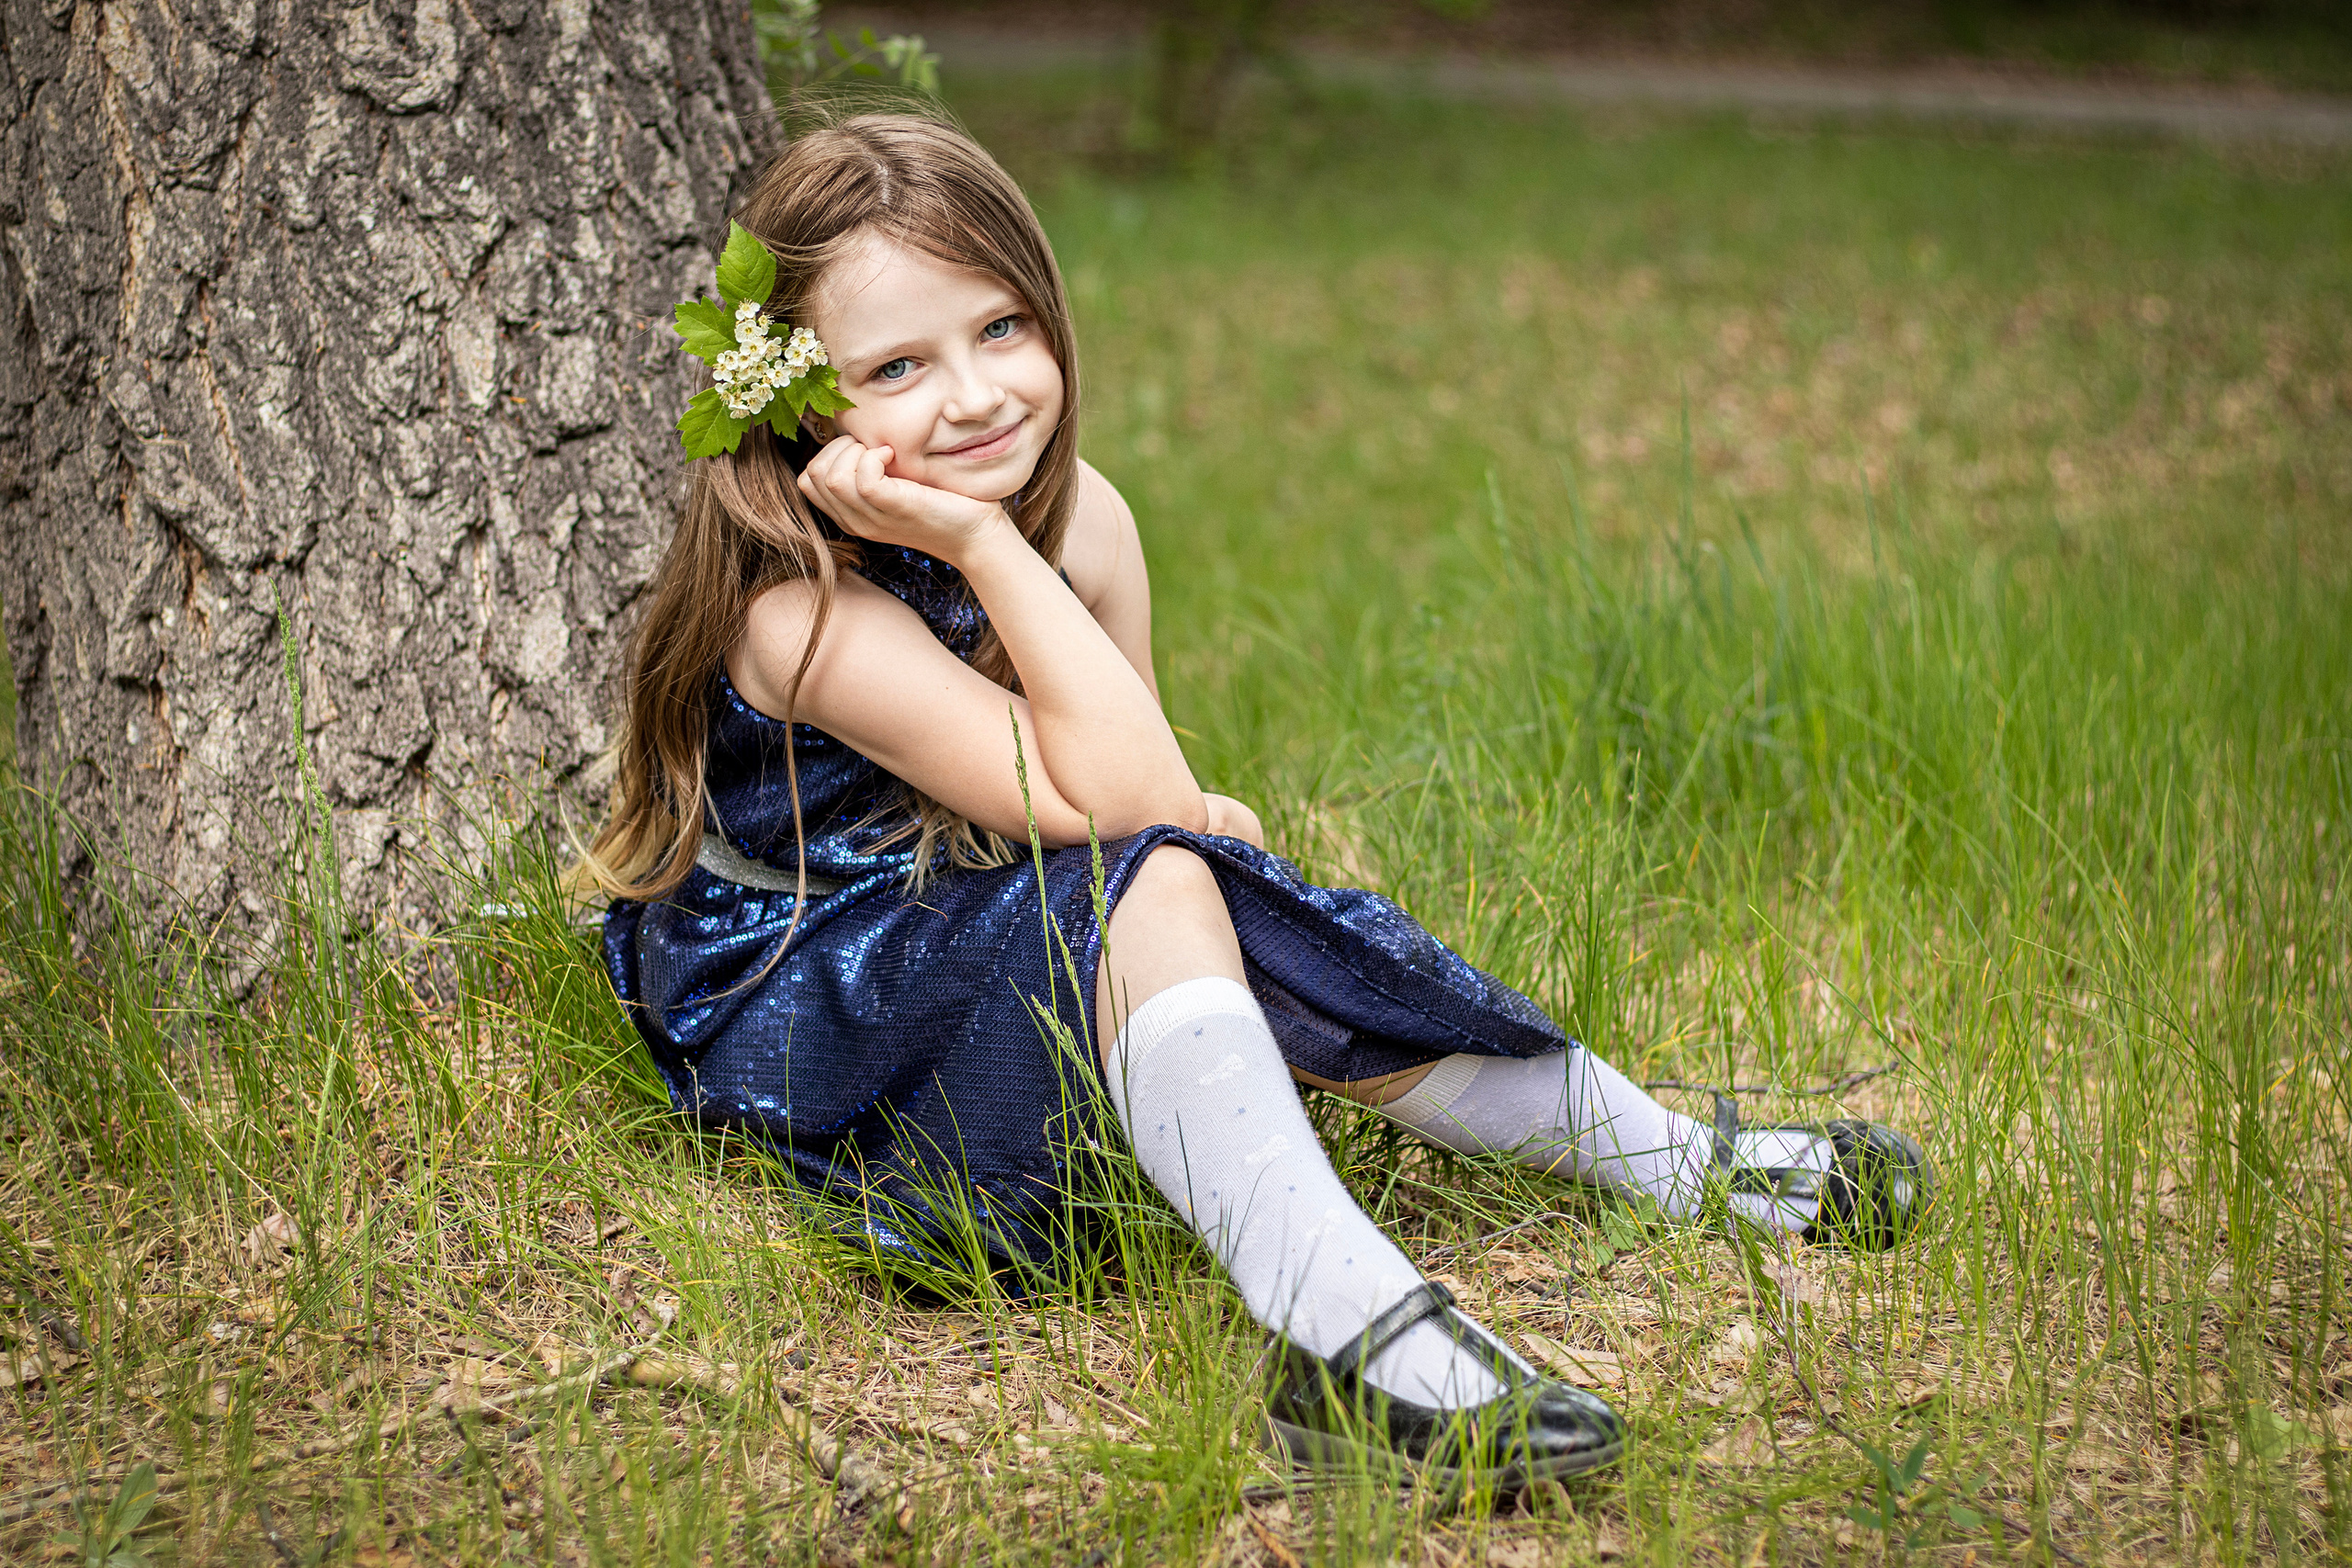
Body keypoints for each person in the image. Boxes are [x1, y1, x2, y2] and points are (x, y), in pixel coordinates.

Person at [586, 112, 1930, 1493]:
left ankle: (1660, 1163)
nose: (976, 394)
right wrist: (984, 543)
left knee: (1203, 885)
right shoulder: (807, 610)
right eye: (897, 367)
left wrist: (1166, 805)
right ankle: (1345, 1330)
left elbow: (1138, 795)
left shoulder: (1085, 520)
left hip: (973, 927)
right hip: (812, 1009)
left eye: (1001, 328)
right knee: (1173, 878)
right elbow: (1126, 804)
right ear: (808, 410)